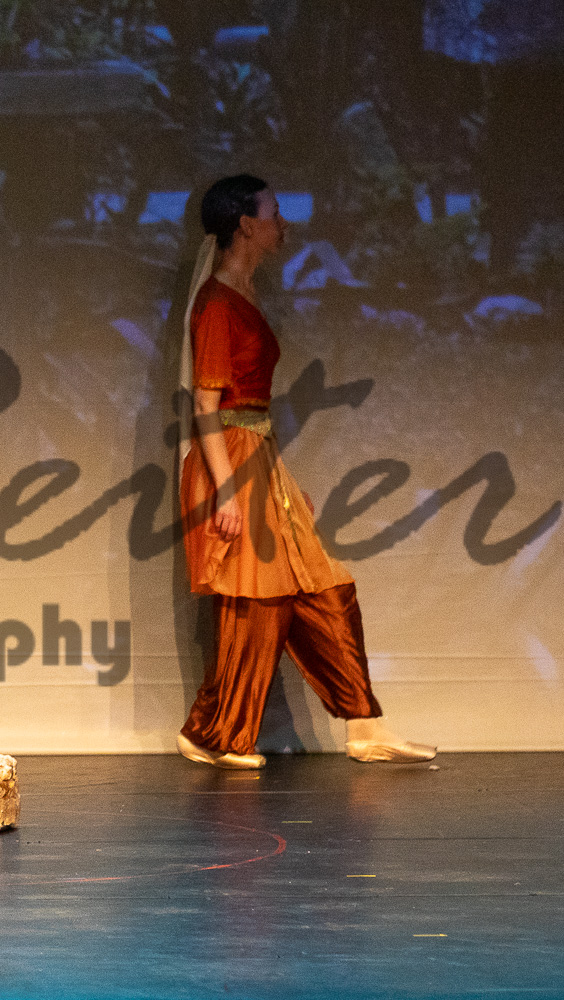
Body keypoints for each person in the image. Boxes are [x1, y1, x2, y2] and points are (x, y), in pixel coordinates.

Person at [175, 176, 437, 770]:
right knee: (254, 602)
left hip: (257, 456)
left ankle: (365, 726)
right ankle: (215, 733)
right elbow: (207, 407)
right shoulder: (217, 303)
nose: (283, 224)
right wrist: (227, 492)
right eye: (273, 213)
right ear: (246, 224)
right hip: (231, 463)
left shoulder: (242, 292)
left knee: (322, 587)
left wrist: (280, 484)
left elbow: (250, 412)